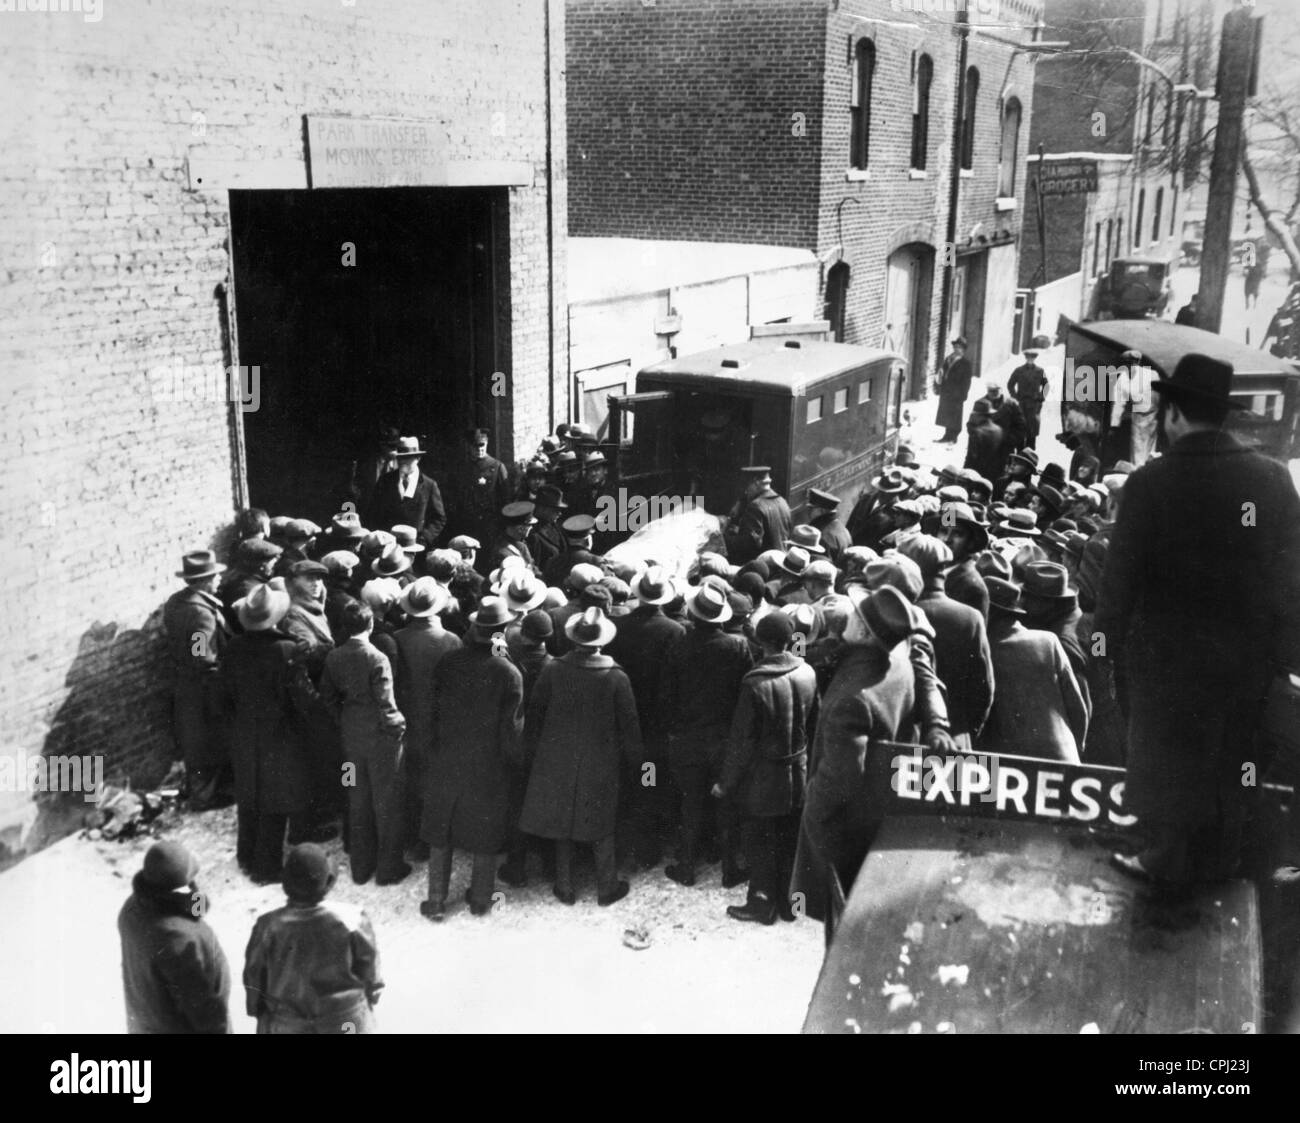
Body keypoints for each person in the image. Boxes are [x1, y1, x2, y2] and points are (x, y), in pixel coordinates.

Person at [1095, 353, 1300, 885]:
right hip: (1245, 665)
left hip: (1166, 664)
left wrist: (1103, 653)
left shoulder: (1149, 485)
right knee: (1234, 759)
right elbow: (1292, 581)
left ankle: (1165, 856)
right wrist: (1283, 661)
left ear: (1174, 414)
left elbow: (1116, 591)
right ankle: (1221, 861)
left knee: (1166, 757)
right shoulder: (1272, 481)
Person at [790, 586, 919, 928]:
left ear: (863, 632)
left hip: (846, 825)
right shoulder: (899, 661)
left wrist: (812, 814)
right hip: (879, 809)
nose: (848, 615)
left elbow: (841, 777)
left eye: (856, 615)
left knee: (841, 917)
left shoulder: (854, 698)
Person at [520, 606, 642, 906]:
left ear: (574, 639)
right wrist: (642, 769)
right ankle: (606, 886)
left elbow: (534, 713)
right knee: (602, 820)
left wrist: (532, 753)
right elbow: (630, 728)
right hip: (601, 761)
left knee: (563, 819)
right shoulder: (616, 677)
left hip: (556, 756)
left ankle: (564, 886)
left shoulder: (553, 669)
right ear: (602, 641)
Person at [420, 596, 524, 919]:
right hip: (488, 763)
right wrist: (512, 764)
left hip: (447, 757)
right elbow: (512, 730)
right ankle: (480, 900)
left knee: (442, 828)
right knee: (485, 832)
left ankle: (436, 901)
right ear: (502, 631)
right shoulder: (509, 673)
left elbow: (431, 712)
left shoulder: (449, 662)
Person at [715, 611, 819, 925]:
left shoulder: (754, 682)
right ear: (791, 640)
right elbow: (816, 723)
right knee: (789, 837)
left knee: (759, 840)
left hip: (762, 776)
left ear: (761, 642)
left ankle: (761, 903)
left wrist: (726, 782)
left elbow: (741, 741)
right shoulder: (808, 672)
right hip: (797, 769)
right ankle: (789, 904)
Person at [222, 580, 316, 883]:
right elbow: (302, 699)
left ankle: (246, 856)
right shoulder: (286, 650)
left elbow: (221, 695)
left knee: (249, 795)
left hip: (244, 733)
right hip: (280, 735)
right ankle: (266, 868)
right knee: (277, 800)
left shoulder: (234, 647)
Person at [664, 583, 754, 887]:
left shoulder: (678, 646)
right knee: (725, 803)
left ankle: (686, 866)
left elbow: (668, 695)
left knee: (690, 803)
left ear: (693, 614)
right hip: (723, 738)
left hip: (687, 737)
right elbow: (747, 691)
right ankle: (730, 870)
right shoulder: (738, 647)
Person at [243, 844, 383, 1034]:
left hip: (288, 1025)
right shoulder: (353, 919)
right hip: (344, 1023)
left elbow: (254, 979)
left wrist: (258, 1011)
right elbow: (371, 973)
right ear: (328, 882)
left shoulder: (267, 926)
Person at [320, 601, 409, 886]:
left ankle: (360, 867)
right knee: (386, 802)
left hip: (350, 739)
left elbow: (328, 698)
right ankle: (389, 868)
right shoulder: (377, 658)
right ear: (370, 626)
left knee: (356, 799)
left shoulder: (334, 657)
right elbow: (387, 704)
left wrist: (345, 721)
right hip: (381, 739)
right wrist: (399, 729)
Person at [606, 566, 686, 870]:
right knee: (649, 780)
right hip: (656, 722)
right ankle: (647, 846)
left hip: (624, 715)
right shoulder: (675, 631)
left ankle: (622, 843)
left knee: (626, 779)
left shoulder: (619, 626)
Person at [118, 841, 230, 1034]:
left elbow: (198, 909)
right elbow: (203, 1009)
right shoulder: (179, 939)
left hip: (146, 1020)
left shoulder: (132, 907)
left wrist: (189, 892)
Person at [898, 535, 993, 751]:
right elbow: (983, 686)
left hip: (904, 731)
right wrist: (966, 729)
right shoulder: (970, 618)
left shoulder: (901, 612)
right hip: (954, 735)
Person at [980, 577, 1087, 763]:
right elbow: (1079, 705)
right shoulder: (1081, 625)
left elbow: (1085, 684)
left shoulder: (1061, 639)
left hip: (1020, 769)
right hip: (1065, 755)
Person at [393, 578, 462, 859]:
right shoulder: (451, 641)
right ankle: (429, 839)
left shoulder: (397, 638)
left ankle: (408, 835)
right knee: (434, 780)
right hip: (439, 721)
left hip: (406, 717)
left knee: (408, 777)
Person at [163, 550, 233, 810]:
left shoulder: (175, 602)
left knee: (196, 739)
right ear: (205, 580)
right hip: (203, 686)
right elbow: (201, 654)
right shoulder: (201, 613)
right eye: (215, 577)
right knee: (207, 741)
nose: (219, 581)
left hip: (185, 682)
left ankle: (203, 791)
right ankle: (204, 797)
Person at [366, 436, 447, 550]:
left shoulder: (429, 485)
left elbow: (439, 518)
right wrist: (380, 539)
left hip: (416, 548)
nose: (403, 462)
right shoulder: (385, 481)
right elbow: (373, 513)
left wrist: (423, 540)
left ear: (418, 458)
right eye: (400, 458)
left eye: (408, 458)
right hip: (388, 548)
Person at [446, 427, 512, 563]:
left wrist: (499, 525)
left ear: (487, 444)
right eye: (475, 446)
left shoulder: (497, 467)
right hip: (467, 525)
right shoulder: (461, 467)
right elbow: (455, 497)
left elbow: (505, 499)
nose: (479, 449)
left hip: (489, 526)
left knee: (487, 559)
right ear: (469, 447)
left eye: (482, 445)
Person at [723, 466, 793, 565]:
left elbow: (747, 545)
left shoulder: (756, 506)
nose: (746, 492)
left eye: (747, 488)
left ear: (756, 482)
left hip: (765, 566)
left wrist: (726, 537)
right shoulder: (782, 502)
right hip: (780, 562)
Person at [1110, 350, 1159, 467]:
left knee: (1150, 449)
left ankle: (1149, 472)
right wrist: (1114, 424)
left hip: (1153, 416)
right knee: (1137, 449)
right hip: (1138, 417)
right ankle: (1138, 474)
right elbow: (1118, 402)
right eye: (1127, 364)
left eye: (1133, 363)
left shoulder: (1152, 374)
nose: (1130, 366)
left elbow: (1160, 396)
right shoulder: (1122, 379)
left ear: (1137, 363)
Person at [1007, 346, 1049, 449]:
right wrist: (1015, 396)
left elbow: (1046, 386)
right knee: (1020, 430)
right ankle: (1019, 455)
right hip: (1021, 404)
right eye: (1028, 357)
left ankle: (1030, 457)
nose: (1030, 359)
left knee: (1032, 433)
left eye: (1032, 358)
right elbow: (1010, 384)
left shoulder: (1040, 371)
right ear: (1026, 358)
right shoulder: (1019, 370)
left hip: (1034, 406)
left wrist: (1041, 398)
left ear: (1035, 358)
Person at [934, 336, 973, 443]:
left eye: (959, 348)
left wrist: (963, 394)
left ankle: (953, 436)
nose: (956, 349)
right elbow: (942, 373)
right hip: (946, 392)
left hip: (957, 394)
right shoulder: (948, 359)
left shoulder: (965, 364)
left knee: (955, 415)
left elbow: (967, 381)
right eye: (955, 347)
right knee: (946, 413)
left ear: (963, 350)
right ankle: (947, 435)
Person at [963, 398, 1004, 485]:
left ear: (979, 415)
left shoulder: (977, 432)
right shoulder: (999, 430)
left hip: (978, 475)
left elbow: (971, 458)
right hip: (995, 474)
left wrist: (963, 474)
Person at [806, 488, 851, 564]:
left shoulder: (821, 537)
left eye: (811, 508)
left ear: (821, 511)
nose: (808, 512)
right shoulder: (843, 529)